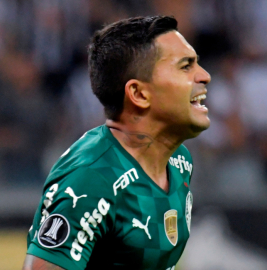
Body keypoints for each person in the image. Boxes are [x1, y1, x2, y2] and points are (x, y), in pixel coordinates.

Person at [23, 15, 211, 270]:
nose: (204, 76)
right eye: (185, 66)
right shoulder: (92, 179)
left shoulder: (179, 161)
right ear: (139, 94)